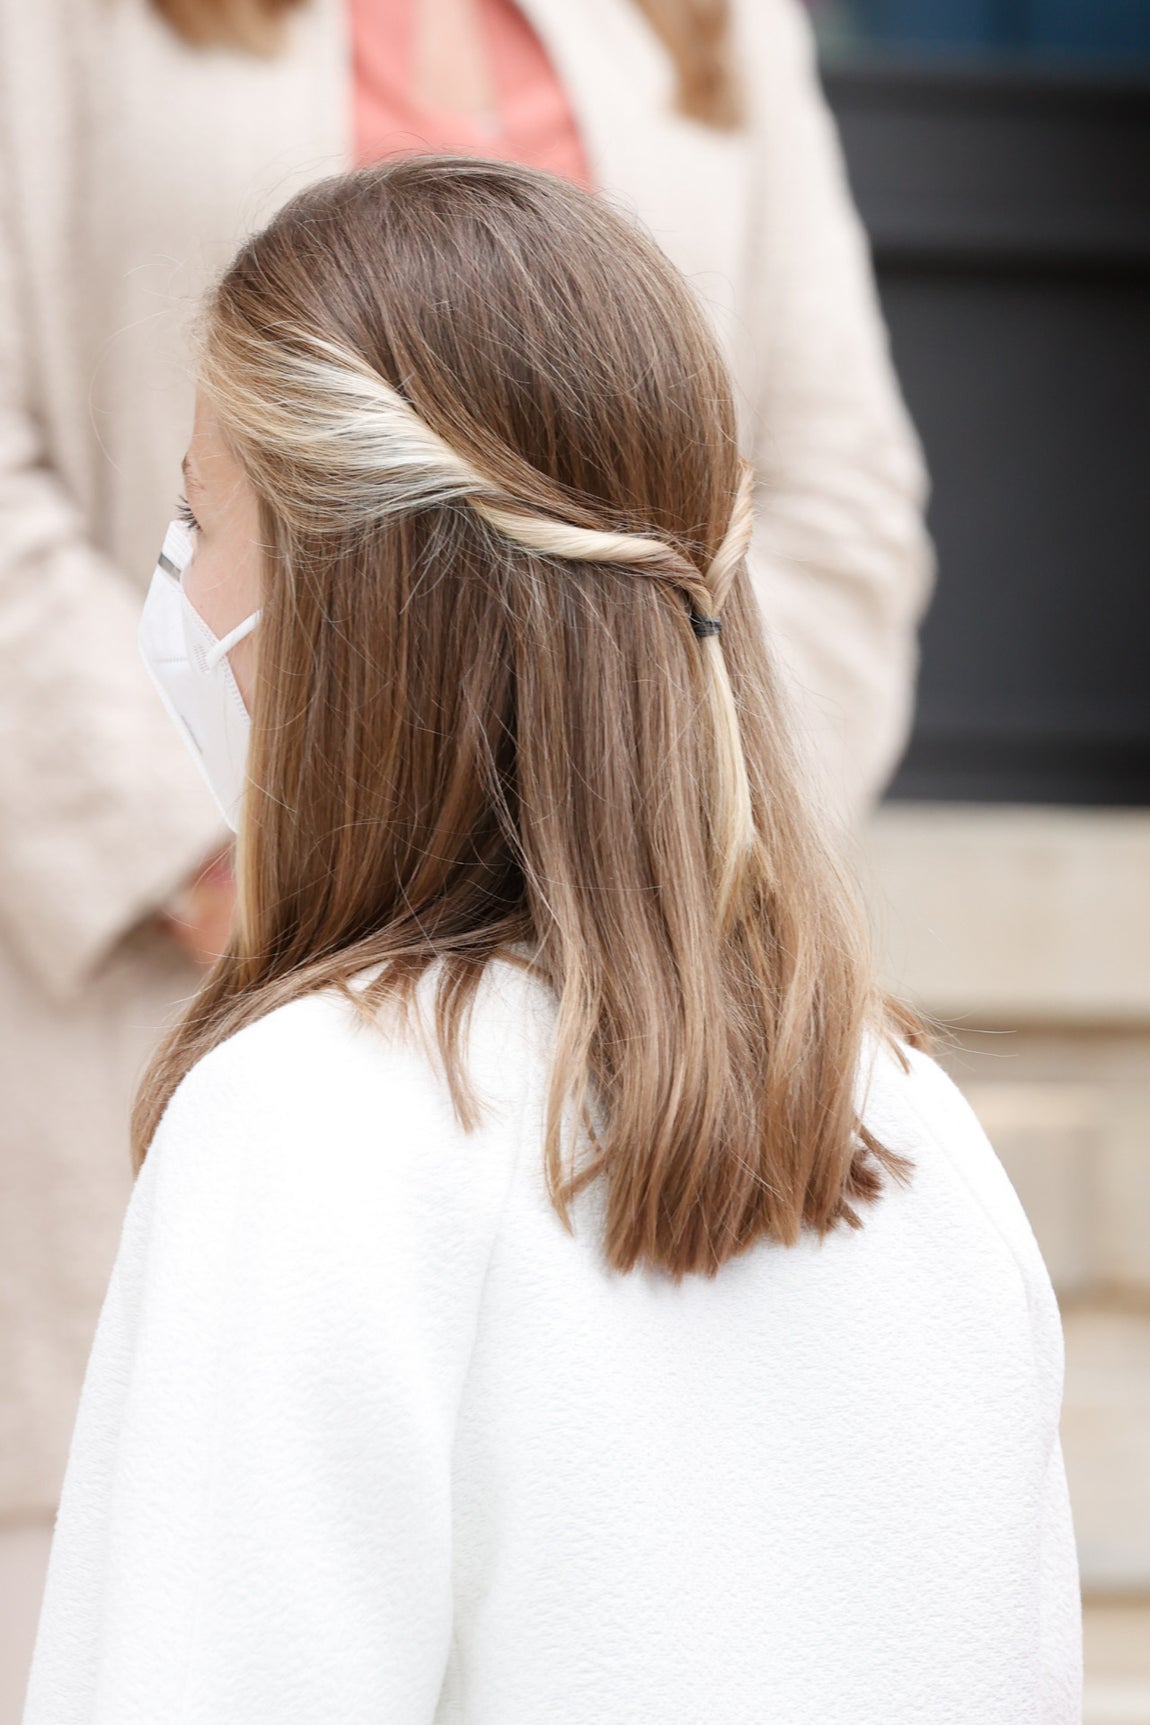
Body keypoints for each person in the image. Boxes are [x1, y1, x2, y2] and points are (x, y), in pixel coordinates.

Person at [21, 156, 1077, 1724]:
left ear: (346, 584)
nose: (181, 594)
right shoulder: (909, 1128)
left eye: (199, 515)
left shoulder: (309, 1120)